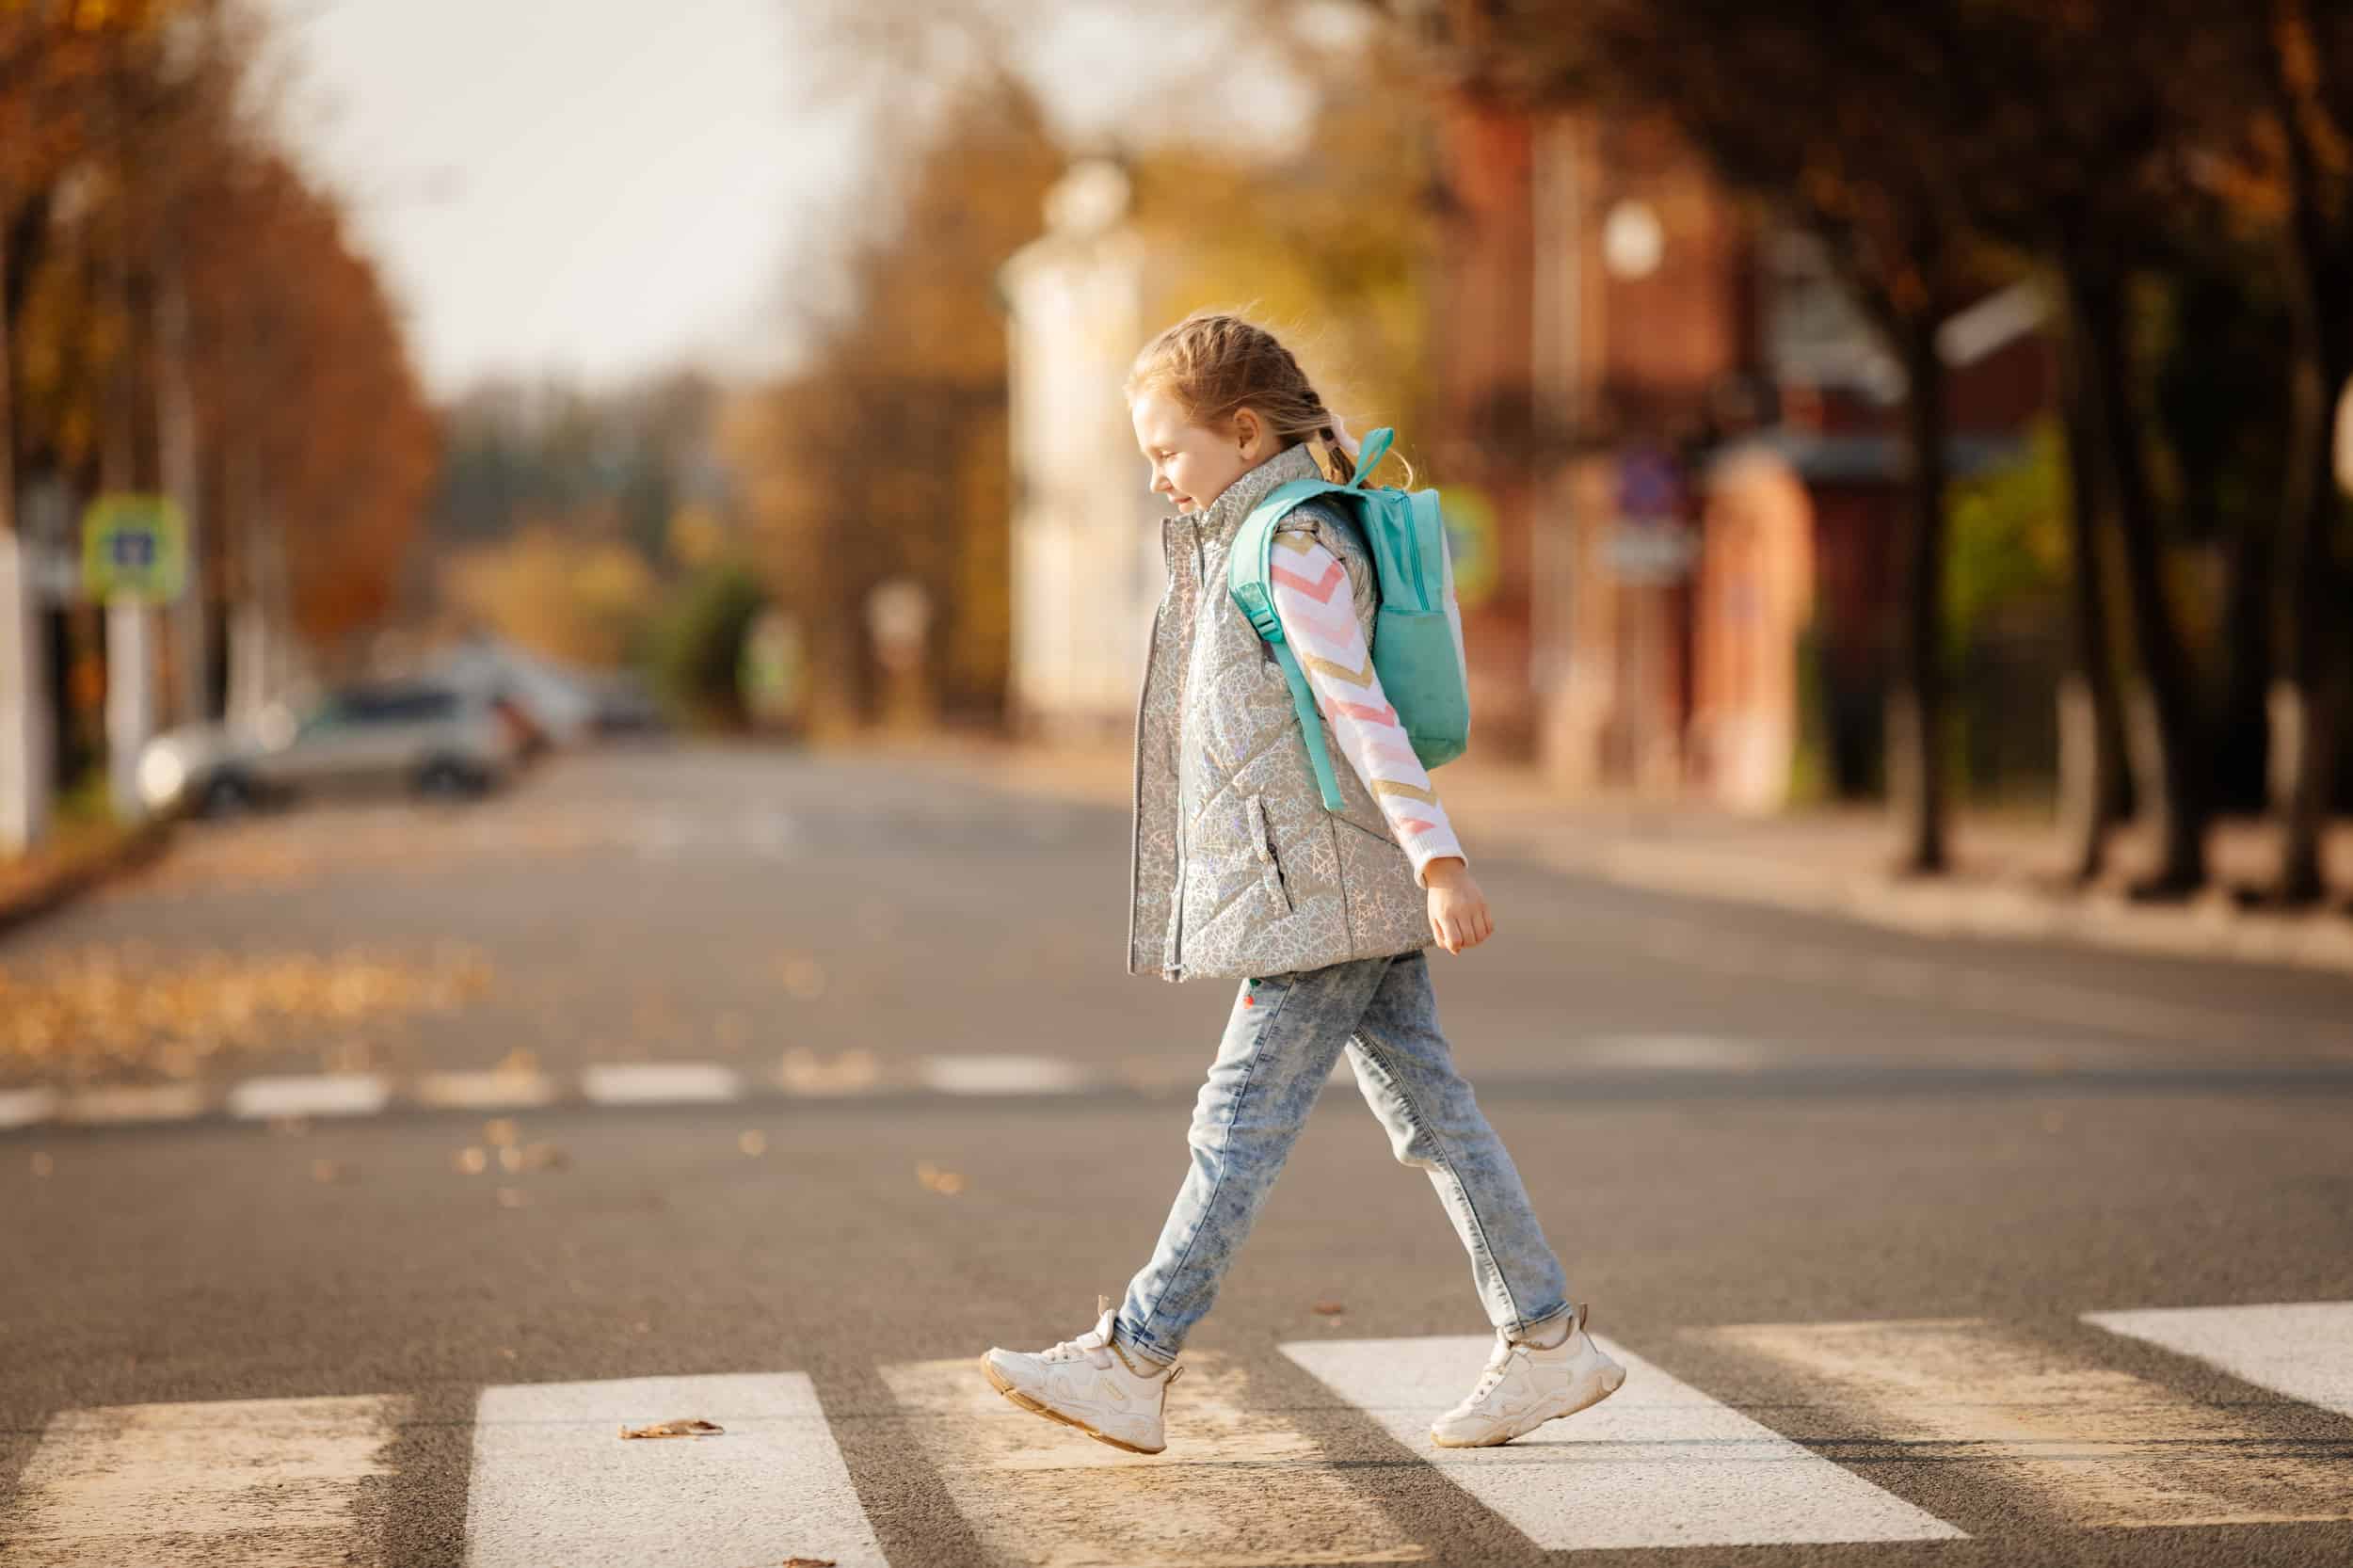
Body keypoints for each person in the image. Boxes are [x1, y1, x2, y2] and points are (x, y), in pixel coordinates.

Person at [980, 312, 1625, 1456]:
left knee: (1237, 1122)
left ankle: (1136, 1356)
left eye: (1168, 452)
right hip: (1322, 883)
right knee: (1431, 1111)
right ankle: (1546, 1339)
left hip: (1320, 894)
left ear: (1239, 433)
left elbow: (1360, 709)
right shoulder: (1241, 540)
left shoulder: (1288, 546)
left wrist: (1438, 858)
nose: (1157, 477)